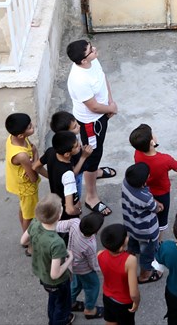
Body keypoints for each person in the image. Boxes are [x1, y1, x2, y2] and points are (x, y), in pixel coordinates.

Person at [66, 40, 118, 216]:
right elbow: (93, 107)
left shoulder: (92, 61)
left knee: (98, 149)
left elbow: (103, 79)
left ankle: (95, 171)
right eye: (91, 50)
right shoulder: (78, 80)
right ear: (83, 61)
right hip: (91, 123)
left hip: (102, 115)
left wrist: (111, 102)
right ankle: (91, 196)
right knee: (92, 154)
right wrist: (109, 109)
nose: (95, 50)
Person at [29, 195, 75, 325]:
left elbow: (23, 240)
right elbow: (55, 274)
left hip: (43, 276)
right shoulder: (57, 243)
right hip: (58, 282)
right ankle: (60, 321)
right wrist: (69, 258)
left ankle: (52, 319)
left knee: (53, 299)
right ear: (59, 215)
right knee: (62, 305)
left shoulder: (35, 223)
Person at [129, 123, 177, 242]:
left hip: (145, 190)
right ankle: (158, 241)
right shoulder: (165, 159)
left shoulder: (137, 153)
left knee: (147, 214)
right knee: (161, 218)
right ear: (152, 142)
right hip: (162, 192)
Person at [4, 113, 46, 256]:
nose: (32, 126)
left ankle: (25, 236)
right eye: (29, 127)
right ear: (21, 135)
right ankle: (29, 243)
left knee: (24, 210)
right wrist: (35, 153)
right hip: (27, 188)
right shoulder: (21, 155)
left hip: (18, 183)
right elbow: (33, 176)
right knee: (30, 216)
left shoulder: (12, 139)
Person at [51, 110, 117, 198]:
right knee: (76, 196)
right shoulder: (68, 152)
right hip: (75, 179)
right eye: (74, 127)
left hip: (78, 168)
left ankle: (94, 174)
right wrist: (83, 156)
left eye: (76, 123)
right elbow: (73, 173)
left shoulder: (69, 140)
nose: (79, 126)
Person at [56, 212, 105, 320]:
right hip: (85, 269)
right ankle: (90, 310)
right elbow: (92, 262)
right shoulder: (90, 244)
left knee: (76, 284)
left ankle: (71, 302)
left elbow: (58, 225)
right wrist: (98, 269)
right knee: (93, 286)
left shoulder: (75, 222)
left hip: (72, 264)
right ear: (96, 231)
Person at [120, 162, 162, 284]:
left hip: (131, 224)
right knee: (147, 253)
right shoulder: (145, 198)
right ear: (144, 182)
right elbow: (156, 208)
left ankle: (130, 256)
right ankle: (145, 275)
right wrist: (159, 206)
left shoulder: (125, 183)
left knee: (132, 241)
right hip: (146, 231)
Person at [97, 223, 140, 325]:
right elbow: (133, 293)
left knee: (110, 321)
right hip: (123, 302)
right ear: (123, 243)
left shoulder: (99, 254)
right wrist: (136, 302)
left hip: (107, 296)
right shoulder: (130, 260)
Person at [40, 131, 84, 221]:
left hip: (56, 203)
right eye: (76, 146)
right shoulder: (68, 175)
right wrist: (78, 210)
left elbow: (36, 167)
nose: (79, 145)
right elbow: (69, 210)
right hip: (66, 217)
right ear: (67, 154)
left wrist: (52, 177)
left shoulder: (51, 151)